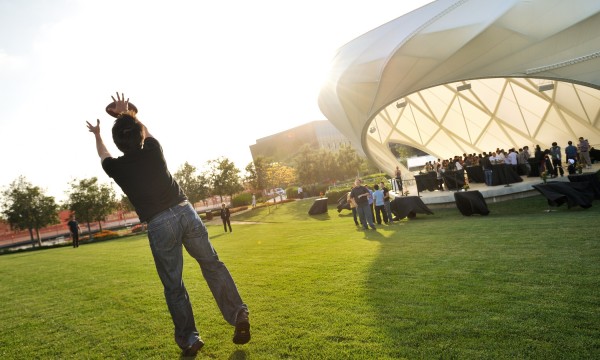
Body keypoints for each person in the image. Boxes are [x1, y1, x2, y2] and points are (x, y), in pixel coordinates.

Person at [86, 92, 249, 356]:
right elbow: (145, 131)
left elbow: (103, 154)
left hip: (160, 225)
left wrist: (97, 134)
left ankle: (190, 337)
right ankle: (238, 313)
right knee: (212, 265)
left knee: (174, 285)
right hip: (186, 212)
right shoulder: (153, 149)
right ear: (139, 135)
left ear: (119, 143)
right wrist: (128, 113)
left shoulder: (116, 168)